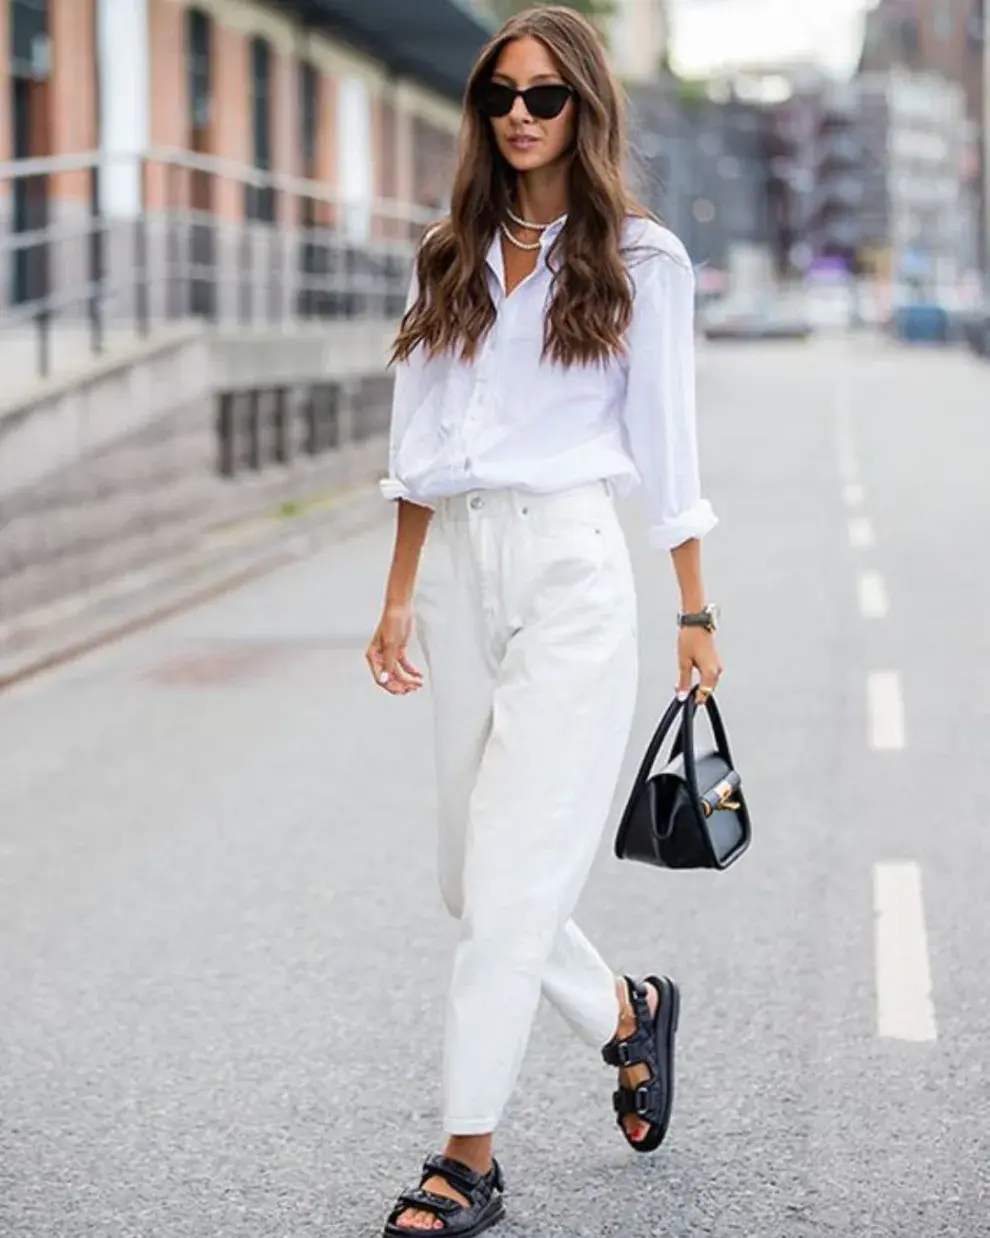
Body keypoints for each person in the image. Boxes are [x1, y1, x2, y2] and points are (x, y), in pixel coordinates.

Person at [365, 7, 722, 1233]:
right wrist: (400, 593)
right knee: (473, 875)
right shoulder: (445, 253)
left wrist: (695, 606)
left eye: (545, 96)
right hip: (462, 567)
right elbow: (418, 450)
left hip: (574, 564)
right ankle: (627, 1010)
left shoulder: (642, 259)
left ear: (586, 109)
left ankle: (469, 1155)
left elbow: (669, 445)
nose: (520, 114)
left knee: (512, 878)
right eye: (502, 96)